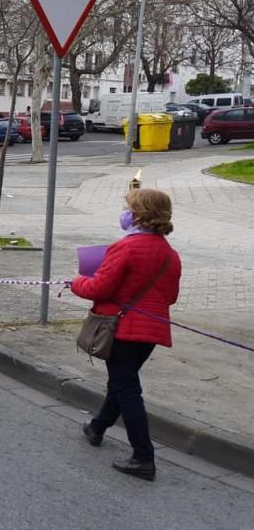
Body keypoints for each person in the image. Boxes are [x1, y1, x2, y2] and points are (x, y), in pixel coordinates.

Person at [71, 188, 182, 481]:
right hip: (150, 330)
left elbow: (99, 288)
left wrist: (77, 282)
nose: (126, 212)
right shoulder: (171, 254)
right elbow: (170, 296)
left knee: (128, 390)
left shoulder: (126, 248)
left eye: (129, 207)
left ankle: (143, 457)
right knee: (122, 383)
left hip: (120, 328)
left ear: (140, 214)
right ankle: (97, 427)